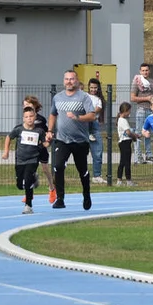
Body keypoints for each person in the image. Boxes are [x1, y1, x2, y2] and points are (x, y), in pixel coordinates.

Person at [45, 70, 97, 210]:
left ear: (77, 80)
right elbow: (52, 115)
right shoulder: (58, 98)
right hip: (62, 140)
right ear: (63, 81)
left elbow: (92, 116)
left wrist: (77, 117)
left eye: (72, 79)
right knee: (58, 166)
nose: (69, 81)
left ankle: (86, 195)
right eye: (67, 79)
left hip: (80, 141)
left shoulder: (83, 97)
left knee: (82, 170)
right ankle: (60, 198)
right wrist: (50, 131)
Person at [2, 106, 48, 214]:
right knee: (20, 185)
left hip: (33, 159)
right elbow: (9, 137)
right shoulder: (19, 129)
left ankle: (28, 205)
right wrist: (6, 151)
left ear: (35, 117)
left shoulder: (39, 131)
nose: (29, 119)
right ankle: (34, 179)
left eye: (31, 116)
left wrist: (48, 141)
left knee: (27, 181)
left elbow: (45, 143)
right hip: (20, 160)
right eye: (27, 117)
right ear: (23, 118)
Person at [23, 95, 55, 203]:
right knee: (29, 171)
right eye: (24, 105)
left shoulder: (41, 120)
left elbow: (46, 132)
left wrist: (48, 138)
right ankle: (29, 195)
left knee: (45, 169)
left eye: (28, 104)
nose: (25, 107)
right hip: (30, 150)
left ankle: (52, 188)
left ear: (34, 106)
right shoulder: (25, 120)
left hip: (41, 148)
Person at [131, 63, 153, 164]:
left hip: (151, 111)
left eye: (146, 70)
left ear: (149, 71)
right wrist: (146, 98)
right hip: (141, 110)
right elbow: (133, 98)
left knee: (148, 133)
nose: (145, 72)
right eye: (143, 70)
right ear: (140, 71)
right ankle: (138, 157)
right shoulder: (137, 82)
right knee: (139, 133)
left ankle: (149, 155)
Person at [87, 78, 107, 184]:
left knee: (98, 152)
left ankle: (97, 175)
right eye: (91, 87)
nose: (93, 89)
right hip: (84, 124)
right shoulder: (85, 97)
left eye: (95, 87)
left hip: (94, 124)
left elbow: (95, 111)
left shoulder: (99, 100)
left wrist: (89, 113)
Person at [115, 102, 138, 187]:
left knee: (123, 161)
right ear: (125, 111)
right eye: (129, 111)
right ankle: (128, 180)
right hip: (125, 142)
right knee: (126, 162)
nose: (130, 113)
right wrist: (134, 136)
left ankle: (120, 180)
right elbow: (128, 132)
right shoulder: (123, 120)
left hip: (123, 142)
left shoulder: (120, 120)